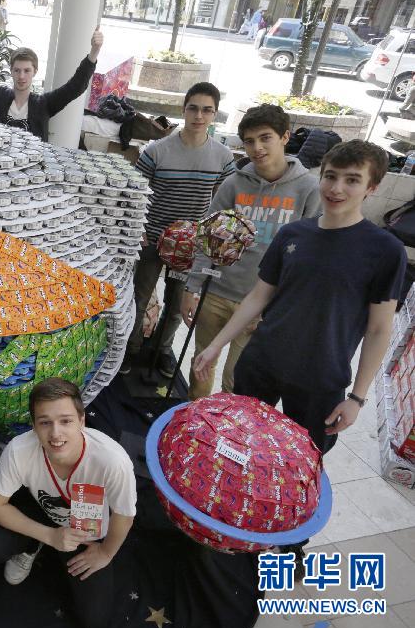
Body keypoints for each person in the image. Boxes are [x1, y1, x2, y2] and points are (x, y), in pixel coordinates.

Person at [194, 141, 407, 570]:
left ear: (372, 187)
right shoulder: (294, 235)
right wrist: (216, 345)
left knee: (302, 468)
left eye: (352, 180)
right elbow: (258, 296)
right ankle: (232, 522)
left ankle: (290, 545)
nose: (337, 188)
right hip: (262, 362)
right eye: (331, 176)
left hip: (321, 380)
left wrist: (357, 397)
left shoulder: (385, 251)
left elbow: (379, 329)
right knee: (241, 447)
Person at [0, 378, 136, 628]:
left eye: (66, 421)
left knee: (95, 621)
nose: (56, 434)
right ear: (34, 425)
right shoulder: (19, 450)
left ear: (81, 421)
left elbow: (124, 515)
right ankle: (33, 545)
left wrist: (105, 553)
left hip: (85, 529)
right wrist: (49, 535)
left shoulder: (112, 461)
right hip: (40, 511)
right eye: (45, 422)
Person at [180, 104, 321, 400]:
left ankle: (228, 427)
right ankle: (195, 422)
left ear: (285, 137)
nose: (257, 148)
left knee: (238, 379)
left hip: (261, 304)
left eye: (265, 138)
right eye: (249, 141)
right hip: (216, 293)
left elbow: (310, 259)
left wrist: (279, 307)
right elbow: (207, 237)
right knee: (201, 365)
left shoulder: (309, 189)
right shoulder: (234, 183)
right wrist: (191, 287)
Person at [121, 82, 235, 377]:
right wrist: (138, 228)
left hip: (191, 247)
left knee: (177, 304)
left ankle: (162, 350)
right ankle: (130, 349)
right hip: (153, 237)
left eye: (207, 110)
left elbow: (226, 201)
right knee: (140, 297)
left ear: (214, 114)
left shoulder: (223, 157)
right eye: (193, 108)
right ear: (184, 110)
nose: (199, 115)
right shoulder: (156, 151)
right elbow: (136, 192)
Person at [0, 13, 103, 141]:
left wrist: (94, 52)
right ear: (11, 71)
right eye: (17, 70)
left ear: (35, 71)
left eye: (27, 71)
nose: (21, 76)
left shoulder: (44, 104)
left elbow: (75, 87)